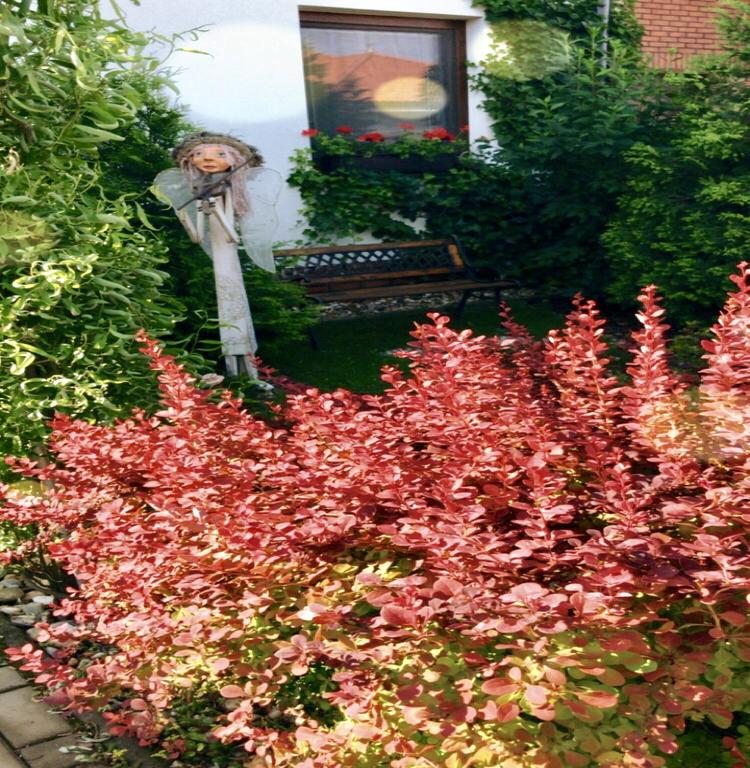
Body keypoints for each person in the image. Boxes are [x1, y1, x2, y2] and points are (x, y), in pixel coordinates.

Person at [153, 131, 281, 377]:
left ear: (235, 160)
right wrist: (190, 216)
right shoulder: (198, 188)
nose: (207, 159)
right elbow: (198, 233)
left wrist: (216, 209)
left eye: (219, 154)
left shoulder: (229, 187)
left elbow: (232, 234)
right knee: (226, 302)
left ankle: (246, 369)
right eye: (198, 154)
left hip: (227, 242)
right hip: (214, 237)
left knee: (234, 302)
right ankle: (235, 370)